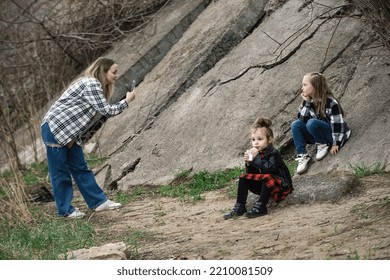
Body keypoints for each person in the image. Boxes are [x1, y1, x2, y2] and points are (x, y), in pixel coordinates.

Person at [41, 57, 136, 218]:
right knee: (60, 173)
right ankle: (65, 211)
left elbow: (76, 114)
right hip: (55, 129)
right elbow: (107, 111)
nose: (116, 75)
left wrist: (72, 136)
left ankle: (99, 203)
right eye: (114, 72)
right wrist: (127, 101)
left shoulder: (92, 85)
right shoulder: (92, 84)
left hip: (67, 132)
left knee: (80, 167)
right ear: (103, 71)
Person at [223, 118, 293, 219]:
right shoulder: (257, 154)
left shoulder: (274, 153)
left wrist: (255, 158)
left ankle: (261, 206)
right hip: (264, 187)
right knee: (243, 177)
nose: (256, 143)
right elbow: (254, 174)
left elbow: (268, 170)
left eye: (260, 139)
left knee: (267, 177)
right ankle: (240, 206)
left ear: (269, 140)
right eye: (253, 140)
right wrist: (248, 163)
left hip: (280, 185)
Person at [291, 72, 351, 174]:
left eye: (305, 85)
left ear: (315, 86)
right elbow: (301, 121)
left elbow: (338, 123)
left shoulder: (330, 102)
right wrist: (307, 103)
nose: (302, 88)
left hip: (332, 135)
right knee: (295, 125)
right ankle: (302, 156)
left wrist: (336, 143)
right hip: (318, 134)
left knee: (311, 122)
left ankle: (322, 144)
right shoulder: (308, 101)